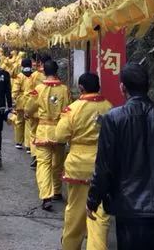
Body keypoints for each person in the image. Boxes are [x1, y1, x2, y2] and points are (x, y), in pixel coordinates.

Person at [87, 62, 154, 249]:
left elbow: (104, 167)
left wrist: (93, 199)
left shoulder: (114, 118)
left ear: (123, 87)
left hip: (129, 208)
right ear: (148, 85)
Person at [56, 73, 113, 250]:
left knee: (76, 211)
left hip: (78, 165)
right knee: (100, 214)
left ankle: (70, 246)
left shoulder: (73, 109)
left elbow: (60, 136)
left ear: (81, 88)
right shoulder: (109, 108)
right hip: (103, 164)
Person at [25, 59, 71, 211]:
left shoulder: (39, 88)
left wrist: (27, 113)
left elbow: (30, 107)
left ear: (44, 71)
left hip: (44, 130)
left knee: (44, 164)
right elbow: (70, 108)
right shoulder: (65, 89)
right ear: (57, 71)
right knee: (57, 163)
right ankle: (57, 191)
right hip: (60, 131)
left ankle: (46, 196)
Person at [25, 53, 49, 165]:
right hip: (48, 111)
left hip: (35, 109)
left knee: (33, 132)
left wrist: (27, 109)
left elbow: (29, 92)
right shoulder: (55, 77)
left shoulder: (34, 75)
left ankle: (35, 154)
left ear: (40, 62)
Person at [9, 57, 33, 150]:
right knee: (29, 123)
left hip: (20, 102)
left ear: (22, 66)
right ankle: (28, 145)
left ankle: (19, 142)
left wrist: (13, 99)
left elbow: (15, 90)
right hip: (31, 102)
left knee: (19, 122)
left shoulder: (20, 76)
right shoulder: (34, 75)